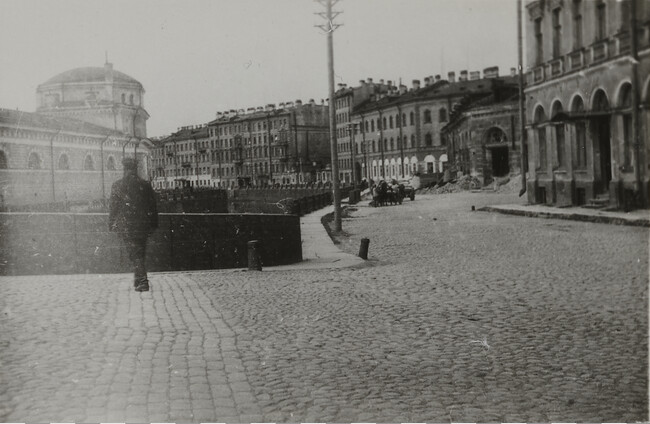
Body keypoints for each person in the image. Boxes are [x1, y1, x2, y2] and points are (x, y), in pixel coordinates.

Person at [109, 157, 158, 292]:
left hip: (127, 225)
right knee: (139, 252)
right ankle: (138, 280)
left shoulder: (117, 185)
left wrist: (111, 223)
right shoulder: (145, 184)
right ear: (135, 169)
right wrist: (154, 225)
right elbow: (153, 206)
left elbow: (113, 207)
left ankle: (143, 281)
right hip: (143, 225)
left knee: (134, 254)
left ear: (125, 168)